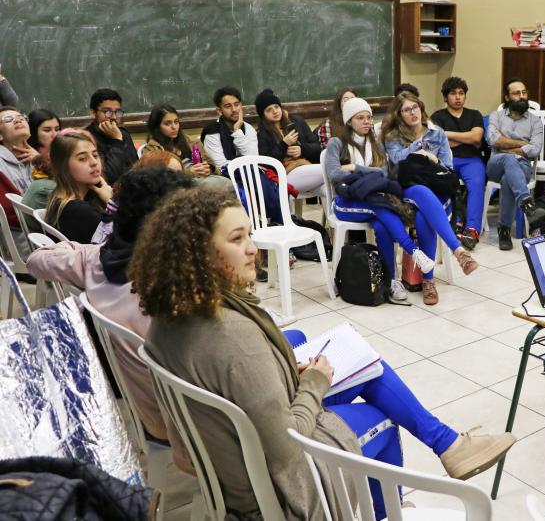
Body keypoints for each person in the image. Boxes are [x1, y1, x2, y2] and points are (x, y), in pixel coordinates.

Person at [130, 187, 517, 520]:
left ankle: (447, 446)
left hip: (229, 461)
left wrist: (289, 376)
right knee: (382, 419)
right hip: (274, 486)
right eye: (236, 239)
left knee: (366, 367)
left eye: (249, 235)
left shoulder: (165, 320)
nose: (252, 249)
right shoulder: (234, 335)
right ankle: (390, 507)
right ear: (197, 253)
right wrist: (313, 383)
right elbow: (286, 447)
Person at [26, 167, 197, 473]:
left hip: (147, 416)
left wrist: (84, 251)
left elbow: (36, 259)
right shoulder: (173, 289)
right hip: (189, 427)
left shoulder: (97, 261)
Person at [325, 97, 437, 301]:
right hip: (345, 203)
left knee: (382, 225)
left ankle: (390, 281)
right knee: (382, 207)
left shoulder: (375, 142)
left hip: (373, 200)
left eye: (368, 117)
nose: (366, 122)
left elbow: (383, 173)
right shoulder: (337, 142)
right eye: (360, 118)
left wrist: (355, 169)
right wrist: (368, 174)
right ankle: (413, 251)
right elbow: (334, 174)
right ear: (349, 120)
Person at [380, 91, 479, 305]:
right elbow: (396, 160)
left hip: (437, 188)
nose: (412, 113)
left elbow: (448, 168)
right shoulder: (393, 137)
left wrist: (432, 158)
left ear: (421, 108)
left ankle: (429, 280)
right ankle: (457, 251)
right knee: (421, 196)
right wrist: (418, 147)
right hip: (409, 189)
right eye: (406, 110)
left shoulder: (437, 133)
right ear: (399, 115)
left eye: (415, 107)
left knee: (424, 217)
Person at [201, 86, 282, 223]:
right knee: (248, 189)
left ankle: (275, 222)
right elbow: (221, 165)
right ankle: (260, 224)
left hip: (250, 173)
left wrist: (237, 131)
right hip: (227, 177)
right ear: (219, 110)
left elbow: (254, 158)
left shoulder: (247, 128)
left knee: (276, 186)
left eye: (237, 104)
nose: (234, 109)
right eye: (228, 106)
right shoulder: (212, 132)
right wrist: (243, 163)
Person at [486, 78, 545, 250]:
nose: (522, 96)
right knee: (509, 159)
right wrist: (522, 144)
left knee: (508, 179)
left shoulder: (535, 121)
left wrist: (505, 144)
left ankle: (504, 230)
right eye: (516, 93)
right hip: (496, 163)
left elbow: (535, 149)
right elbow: (492, 140)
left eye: (524, 92)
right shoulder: (496, 116)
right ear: (507, 97)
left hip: (523, 167)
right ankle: (527, 204)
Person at [430, 76, 486, 249]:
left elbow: (476, 137)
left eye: (461, 93)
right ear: (445, 97)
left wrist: (447, 134)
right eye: (453, 93)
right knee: (445, 182)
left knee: (477, 184)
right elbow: (439, 142)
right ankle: (456, 222)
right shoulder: (437, 117)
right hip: (447, 159)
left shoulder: (474, 115)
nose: (458, 97)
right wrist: (466, 138)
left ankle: (472, 230)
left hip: (472, 160)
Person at [143, 104, 233, 193]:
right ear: (157, 127)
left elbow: (210, 163)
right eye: (167, 123)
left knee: (227, 183)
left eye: (176, 122)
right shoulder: (151, 150)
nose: (174, 127)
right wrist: (189, 173)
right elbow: (157, 179)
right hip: (178, 188)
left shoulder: (190, 141)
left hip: (203, 179)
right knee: (216, 185)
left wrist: (208, 168)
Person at [46, 129, 113, 243]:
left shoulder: (60, 197)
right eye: (82, 159)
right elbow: (127, 241)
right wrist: (111, 202)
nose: (94, 162)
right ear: (63, 166)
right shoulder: (78, 211)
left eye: (95, 155)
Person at [254, 88, 324, 195]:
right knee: (329, 171)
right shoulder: (262, 133)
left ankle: (337, 206)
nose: (275, 111)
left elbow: (318, 147)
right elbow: (266, 163)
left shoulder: (297, 121)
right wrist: (283, 145)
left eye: (276, 107)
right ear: (263, 115)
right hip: (284, 175)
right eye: (269, 110)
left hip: (306, 167)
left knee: (328, 188)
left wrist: (302, 150)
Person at [84, 88, 137, 184]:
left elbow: (136, 167)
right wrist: (116, 140)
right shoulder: (85, 138)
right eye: (107, 112)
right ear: (93, 113)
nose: (114, 117)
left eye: (118, 112)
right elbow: (109, 176)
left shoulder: (123, 133)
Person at [23, 109, 60, 210]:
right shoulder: (28, 155)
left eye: (57, 129)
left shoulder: (63, 150)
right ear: (33, 132)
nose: (55, 135)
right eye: (47, 130)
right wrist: (39, 160)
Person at [0, 106, 38, 193]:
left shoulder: (40, 159)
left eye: (22, 117)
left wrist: (42, 162)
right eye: (8, 119)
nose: (18, 120)